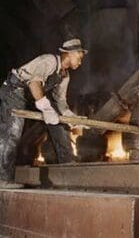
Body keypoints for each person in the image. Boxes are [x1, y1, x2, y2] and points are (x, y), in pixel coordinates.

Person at [0, 38, 87, 188]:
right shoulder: (49, 61)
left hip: (32, 96)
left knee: (59, 123)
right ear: (69, 54)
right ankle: (2, 179)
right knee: (12, 133)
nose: (80, 61)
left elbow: (60, 102)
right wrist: (46, 108)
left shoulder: (64, 76)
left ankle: (68, 166)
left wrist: (73, 118)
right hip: (14, 90)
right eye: (79, 57)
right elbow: (34, 83)